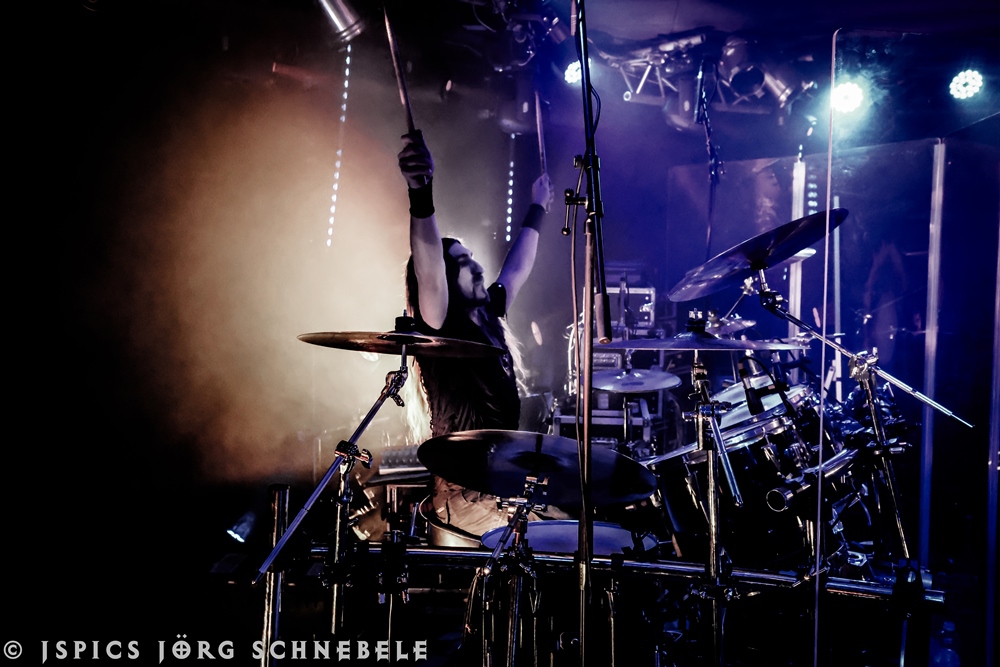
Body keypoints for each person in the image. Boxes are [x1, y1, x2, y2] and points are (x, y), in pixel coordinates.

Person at [398, 130, 555, 542]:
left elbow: (517, 268)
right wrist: (421, 191)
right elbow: (429, 267)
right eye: (464, 263)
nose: (478, 267)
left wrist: (538, 207)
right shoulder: (440, 323)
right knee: (552, 548)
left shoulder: (487, 315)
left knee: (582, 535)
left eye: (472, 258)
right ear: (447, 282)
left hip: (501, 485)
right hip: (464, 494)